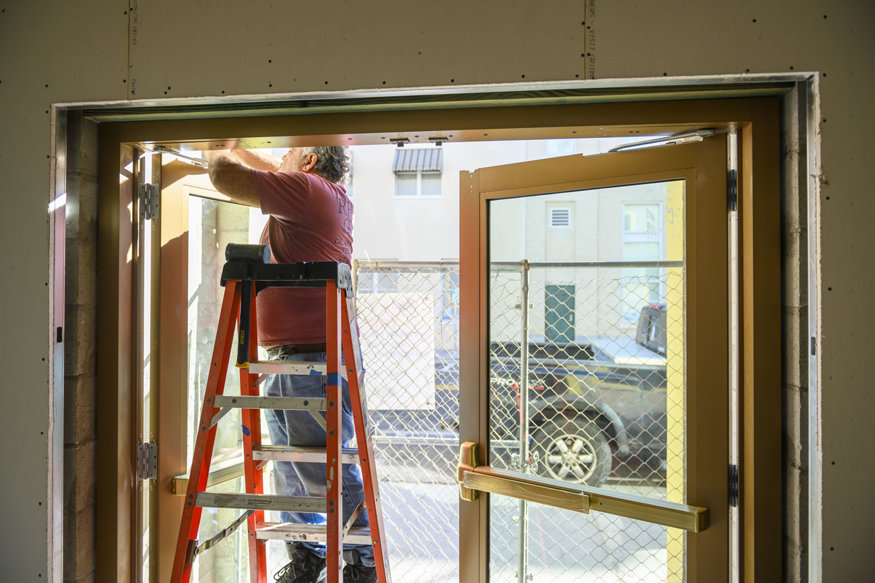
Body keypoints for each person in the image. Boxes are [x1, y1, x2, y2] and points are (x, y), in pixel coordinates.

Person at [206, 146, 375, 583]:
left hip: (309, 358)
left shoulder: (304, 190)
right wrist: (253, 154)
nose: (280, 155)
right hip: (302, 357)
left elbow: (225, 177)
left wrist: (217, 145)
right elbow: (273, 171)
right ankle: (311, 555)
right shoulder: (320, 193)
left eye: (291, 151)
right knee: (295, 466)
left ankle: (360, 564)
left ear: (311, 162)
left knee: (319, 466)